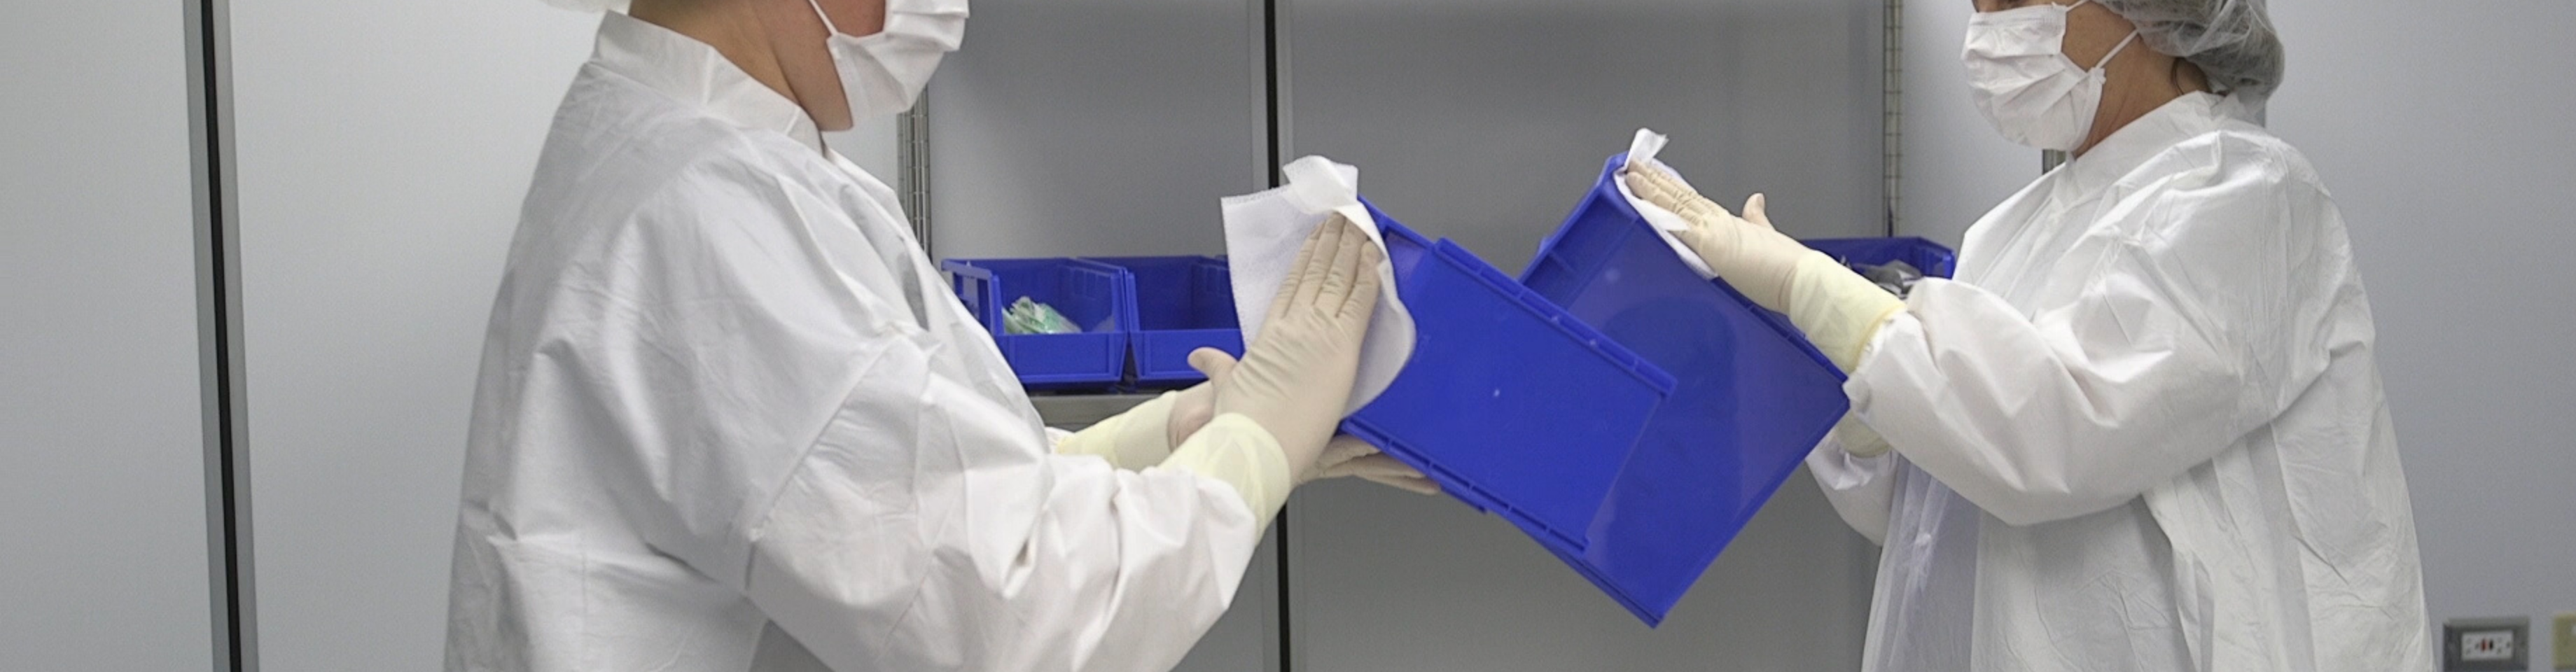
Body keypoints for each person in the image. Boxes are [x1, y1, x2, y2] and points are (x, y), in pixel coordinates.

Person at [444, 0, 1424, 669]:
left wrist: (1180, 437)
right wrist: (1252, 447)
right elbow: (1022, 613)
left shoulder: (700, 148)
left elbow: (892, 486)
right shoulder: (710, 212)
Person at [1624, 0, 2430, 670]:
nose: (1987, 33)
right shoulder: (2013, 231)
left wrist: (1810, 288)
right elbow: (1943, 500)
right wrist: (1862, 414)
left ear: (2145, 15)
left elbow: (2056, 438)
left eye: (2013, 2)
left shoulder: (2248, 194)